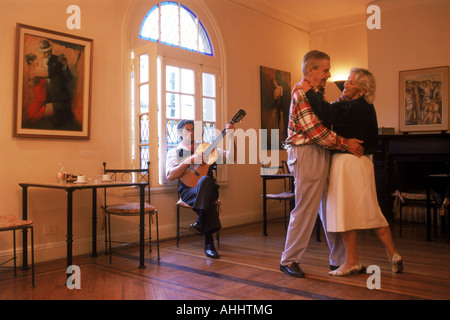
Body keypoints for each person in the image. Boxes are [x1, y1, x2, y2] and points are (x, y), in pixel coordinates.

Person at [302, 67, 403, 276]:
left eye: (351, 82)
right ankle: (393, 253)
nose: (345, 85)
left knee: (345, 212)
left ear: (363, 89)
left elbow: (325, 112)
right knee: (371, 210)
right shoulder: (367, 106)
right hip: (364, 162)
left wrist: (308, 89)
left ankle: (352, 261)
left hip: (345, 164)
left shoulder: (350, 106)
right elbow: (372, 141)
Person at [280, 50, 365, 278]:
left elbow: (326, 116)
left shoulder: (316, 92)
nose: (328, 74)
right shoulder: (301, 92)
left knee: (330, 207)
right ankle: (289, 260)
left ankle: (340, 259)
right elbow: (316, 131)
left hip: (320, 150)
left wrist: (344, 98)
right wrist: (347, 144)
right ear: (311, 70)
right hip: (307, 151)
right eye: (325, 70)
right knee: (306, 207)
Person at [166, 120, 236, 259]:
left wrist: (231, 136)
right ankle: (208, 242)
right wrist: (189, 160)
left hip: (209, 189)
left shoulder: (206, 148)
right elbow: (170, 176)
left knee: (205, 181)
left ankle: (201, 221)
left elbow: (231, 157)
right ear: (180, 133)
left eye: (193, 129)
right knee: (207, 200)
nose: (191, 133)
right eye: (187, 130)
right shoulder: (174, 152)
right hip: (188, 191)